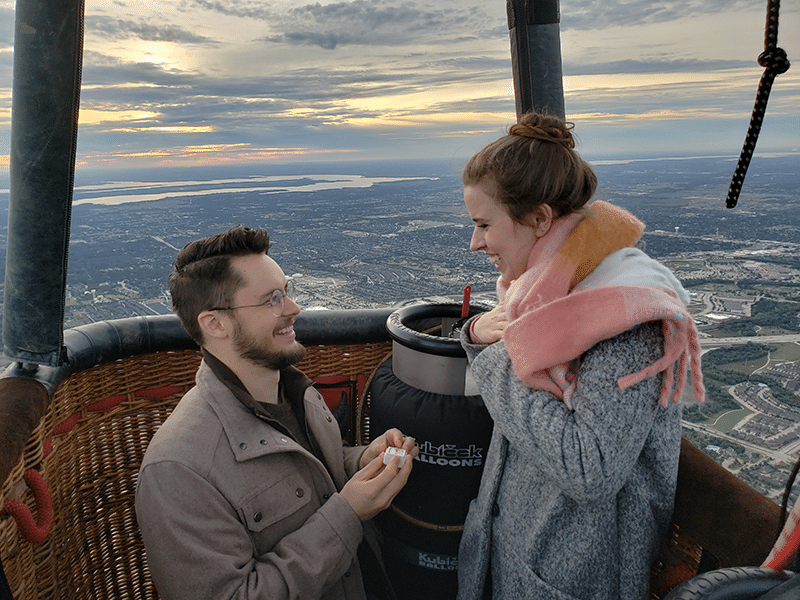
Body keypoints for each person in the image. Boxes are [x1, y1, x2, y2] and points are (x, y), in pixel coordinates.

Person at [456, 112, 705, 600]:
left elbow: (590, 468)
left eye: (485, 224)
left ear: (541, 218)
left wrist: (493, 357)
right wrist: (479, 336)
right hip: (520, 556)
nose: (475, 242)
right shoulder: (539, 295)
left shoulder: (626, 317)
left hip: (577, 578)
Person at [135, 225, 418, 600]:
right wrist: (348, 515)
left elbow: (310, 479)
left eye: (287, 292)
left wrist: (362, 460)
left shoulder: (295, 394)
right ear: (215, 323)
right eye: (271, 300)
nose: (293, 309)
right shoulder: (179, 470)